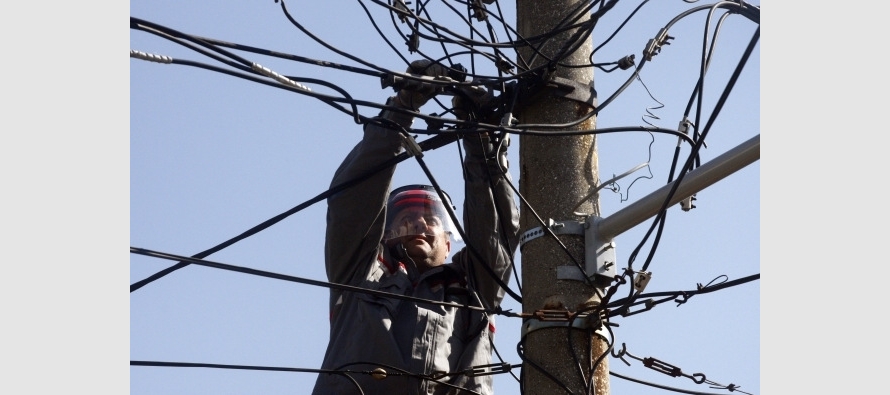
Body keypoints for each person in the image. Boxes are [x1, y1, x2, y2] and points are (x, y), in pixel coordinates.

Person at [311, 60, 520, 395]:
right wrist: (401, 110)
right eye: (404, 219)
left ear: (449, 244)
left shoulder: (473, 284)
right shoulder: (361, 273)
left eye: (431, 218)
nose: (418, 223)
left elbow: (495, 230)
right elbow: (352, 201)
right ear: (385, 235)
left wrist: (481, 139)